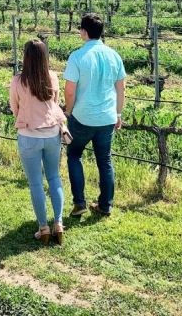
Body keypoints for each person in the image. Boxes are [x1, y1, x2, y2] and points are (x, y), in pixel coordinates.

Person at [64, 13, 126, 218]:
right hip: (107, 117)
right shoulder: (114, 55)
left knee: (74, 154)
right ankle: (105, 205)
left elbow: (70, 90)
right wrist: (118, 113)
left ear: (83, 31)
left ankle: (79, 202)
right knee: (105, 161)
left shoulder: (77, 56)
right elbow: (121, 88)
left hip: (82, 116)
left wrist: (69, 111)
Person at [9, 40, 66, 245]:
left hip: (29, 135)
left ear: (25, 56)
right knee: (54, 178)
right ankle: (58, 223)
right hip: (52, 134)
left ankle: (43, 228)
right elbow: (55, 103)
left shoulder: (18, 81)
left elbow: (14, 109)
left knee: (35, 183)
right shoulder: (52, 77)